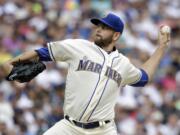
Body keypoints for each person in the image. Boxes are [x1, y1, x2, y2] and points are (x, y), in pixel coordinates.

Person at [0, 13, 170, 135]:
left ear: (116, 35)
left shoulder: (123, 64)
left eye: (105, 28)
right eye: (99, 26)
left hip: (103, 130)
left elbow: (144, 77)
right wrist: (11, 62)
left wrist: (161, 48)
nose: (99, 29)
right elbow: (41, 52)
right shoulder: (79, 47)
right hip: (69, 127)